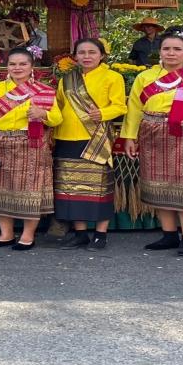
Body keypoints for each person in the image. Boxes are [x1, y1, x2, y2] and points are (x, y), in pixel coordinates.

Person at [122, 29, 183, 256]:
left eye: (177, 49)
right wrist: (129, 137)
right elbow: (134, 108)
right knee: (159, 183)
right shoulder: (145, 77)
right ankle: (169, 234)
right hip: (152, 134)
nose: (171, 53)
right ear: (160, 51)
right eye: (166, 49)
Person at [0, 47, 62, 250]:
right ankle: (6, 234)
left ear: (32, 67)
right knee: (2, 188)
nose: (17, 68)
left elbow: (58, 119)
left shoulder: (44, 90)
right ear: (7, 66)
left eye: (23, 64)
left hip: (32, 145)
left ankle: (27, 235)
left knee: (31, 190)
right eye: (13, 64)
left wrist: (43, 114)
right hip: (2, 143)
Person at [53, 38, 127, 250]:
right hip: (66, 136)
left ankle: (100, 235)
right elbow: (58, 106)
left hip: (96, 137)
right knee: (71, 188)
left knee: (99, 187)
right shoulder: (67, 79)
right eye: (82, 52)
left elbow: (120, 106)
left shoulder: (113, 77)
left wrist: (102, 113)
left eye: (92, 52)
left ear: (101, 55)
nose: (86, 56)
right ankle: (80, 234)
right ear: (75, 56)